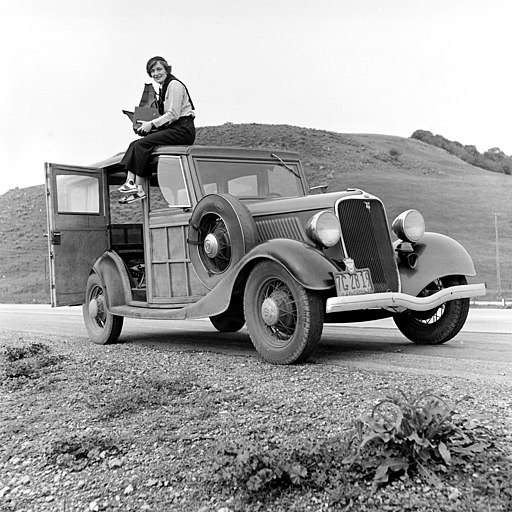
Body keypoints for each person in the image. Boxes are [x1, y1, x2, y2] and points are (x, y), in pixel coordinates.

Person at [118, 56, 196, 203]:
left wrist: (151, 124)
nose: (156, 73)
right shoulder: (163, 87)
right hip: (174, 127)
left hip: (183, 129)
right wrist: (145, 125)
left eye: (159, 69)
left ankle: (134, 185)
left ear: (166, 69)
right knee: (137, 144)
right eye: (152, 71)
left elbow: (173, 114)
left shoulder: (174, 85)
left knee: (141, 145)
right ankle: (135, 186)